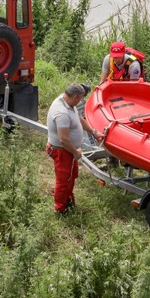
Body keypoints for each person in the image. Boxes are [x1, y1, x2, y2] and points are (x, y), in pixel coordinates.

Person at [46, 83, 102, 214]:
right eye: (81, 98)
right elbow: (63, 139)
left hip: (68, 150)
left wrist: (94, 132)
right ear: (75, 97)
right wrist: (75, 152)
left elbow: (79, 119)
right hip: (63, 151)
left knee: (71, 176)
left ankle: (68, 199)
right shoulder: (61, 112)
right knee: (63, 180)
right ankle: (60, 209)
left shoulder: (69, 103)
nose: (82, 101)